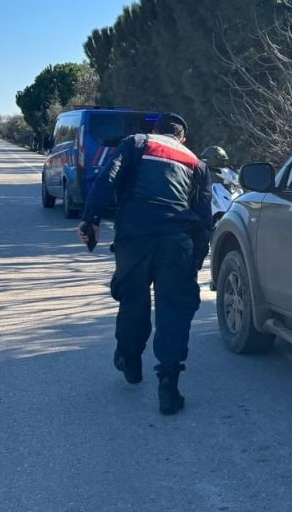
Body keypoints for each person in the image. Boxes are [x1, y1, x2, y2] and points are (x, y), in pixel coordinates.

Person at [78, 113, 212, 415]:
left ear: (156, 131)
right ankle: (169, 386)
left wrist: (91, 219)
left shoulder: (137, 143)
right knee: (174, 308)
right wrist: (196, 259)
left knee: (133, 300)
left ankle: (129, 359)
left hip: (134, 238)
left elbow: (106, 179)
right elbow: (204, 218)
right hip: (177, 240)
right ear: (183, 138)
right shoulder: (197, 163)